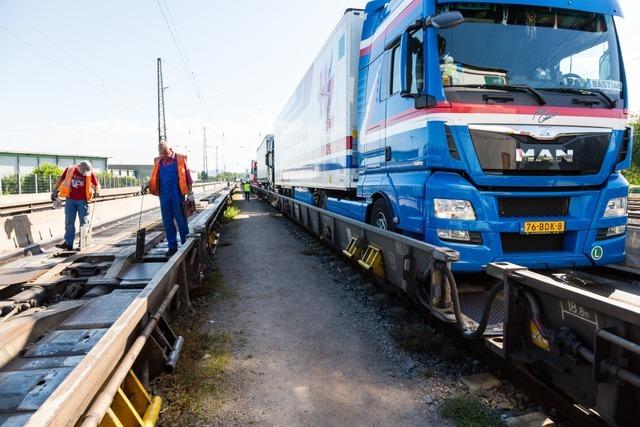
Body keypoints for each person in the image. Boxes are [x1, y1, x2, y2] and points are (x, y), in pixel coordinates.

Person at [148, 141, 194, 257]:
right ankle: (172, 247)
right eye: (161, 154)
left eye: (166, 153)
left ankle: (185, 246)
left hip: (177, 194)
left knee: (181, 221)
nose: (164, 156)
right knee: (167, 222)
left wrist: (190, 193)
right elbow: (154, 177)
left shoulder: (181, 159)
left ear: (171, 149)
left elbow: (188, 178)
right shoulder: (158, 161)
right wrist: (148, 185)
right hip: (164, 195)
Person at [51, 161, 100, 250]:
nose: (85, 173)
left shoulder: (90, 173)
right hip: (70, 199)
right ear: (79, 167)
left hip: (83, 201)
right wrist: (55, 191)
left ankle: (83, 243)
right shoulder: (70, 170)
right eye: (83, 171)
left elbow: (97, 184)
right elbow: (61, 179)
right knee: (69, 222)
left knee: (84, 222)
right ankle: (68, 244)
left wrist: (97, 190)